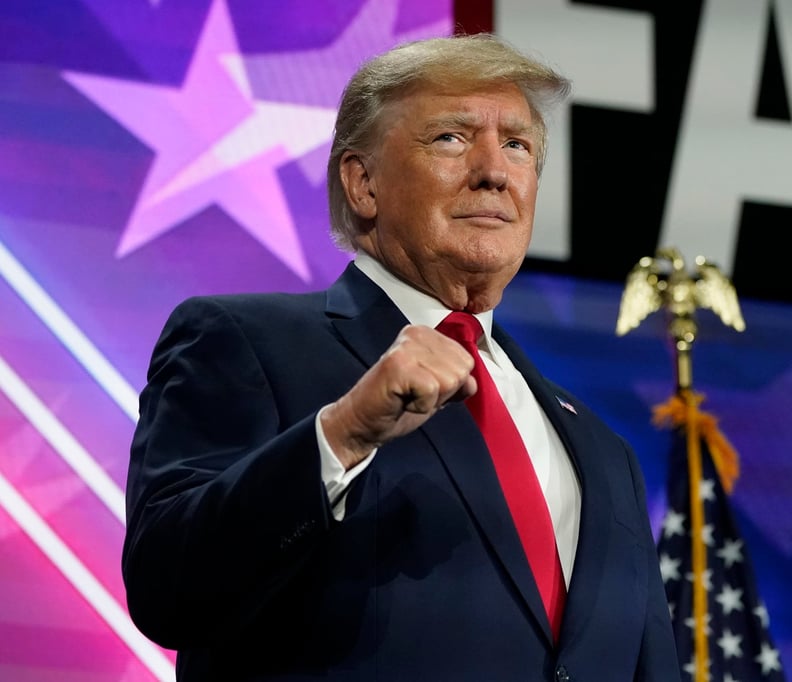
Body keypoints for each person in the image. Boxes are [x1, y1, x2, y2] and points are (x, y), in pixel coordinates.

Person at [123, 33, 681, 681]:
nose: (495, 171)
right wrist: (344, 433)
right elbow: (169, 588)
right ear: (363, 184)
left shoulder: (604, 453)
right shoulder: (245, 341)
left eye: (518, 145)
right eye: (451, 137)